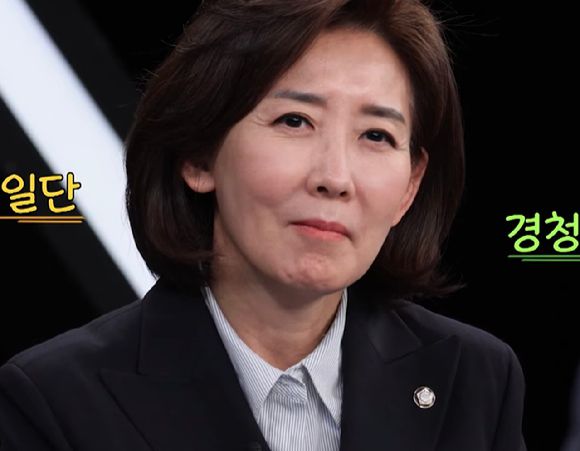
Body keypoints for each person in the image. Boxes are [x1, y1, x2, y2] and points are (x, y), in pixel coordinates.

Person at [0, 0, 527, 449]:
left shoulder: (474, 379)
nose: (335, 178)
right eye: (294, 121)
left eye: (376, 136)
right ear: (199, 154)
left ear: (410, 186)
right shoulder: (52, 401)